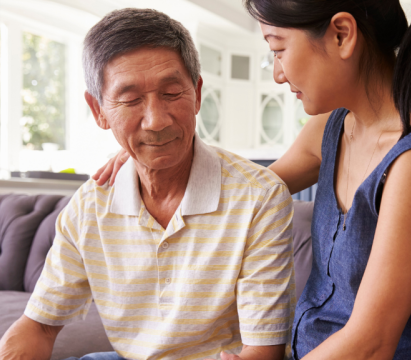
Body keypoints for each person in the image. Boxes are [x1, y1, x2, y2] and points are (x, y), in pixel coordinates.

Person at [97, 0, 411, 359]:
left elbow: (371, 343)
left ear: (342, 34)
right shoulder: (332, 127)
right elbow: (241, 193)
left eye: (278, 49)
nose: (278, 74)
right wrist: (154, 153)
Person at [0, 8, 295, 360]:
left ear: (198, 94)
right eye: (130, 99)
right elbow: (40, 325)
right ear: (98, 111)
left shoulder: (259, 198)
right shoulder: (89, 207)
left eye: (172, 93)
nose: (156, 121)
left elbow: (263, 352)